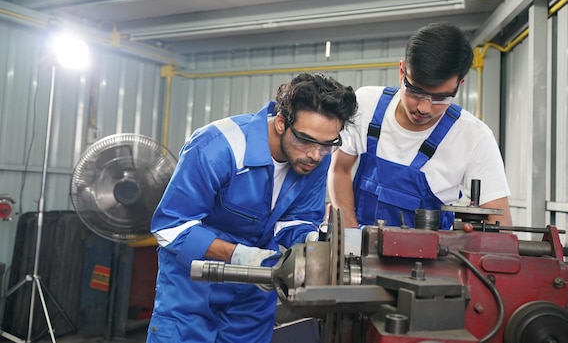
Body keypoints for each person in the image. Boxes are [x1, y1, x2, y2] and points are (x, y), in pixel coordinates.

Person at [147, 73, 358, 343]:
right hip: (194, 285)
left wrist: (314, 240)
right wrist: (238, 255)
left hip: (257, 287)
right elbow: (171, 227)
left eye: (327, 145)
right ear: (281, 122)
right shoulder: (217, 147)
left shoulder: (315, 159)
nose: (316, 155)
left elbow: (296, 219)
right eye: (306, 140)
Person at [328, 22, 512, 230]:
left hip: (432, 259)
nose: (424, 108)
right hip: (360, 255)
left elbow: (499, 223)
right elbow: (339, 170)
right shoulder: (366, 105)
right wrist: (351, 237)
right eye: (415, 91)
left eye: (440, 97)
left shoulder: (474, 137)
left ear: (459, 85)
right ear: (402, 71)